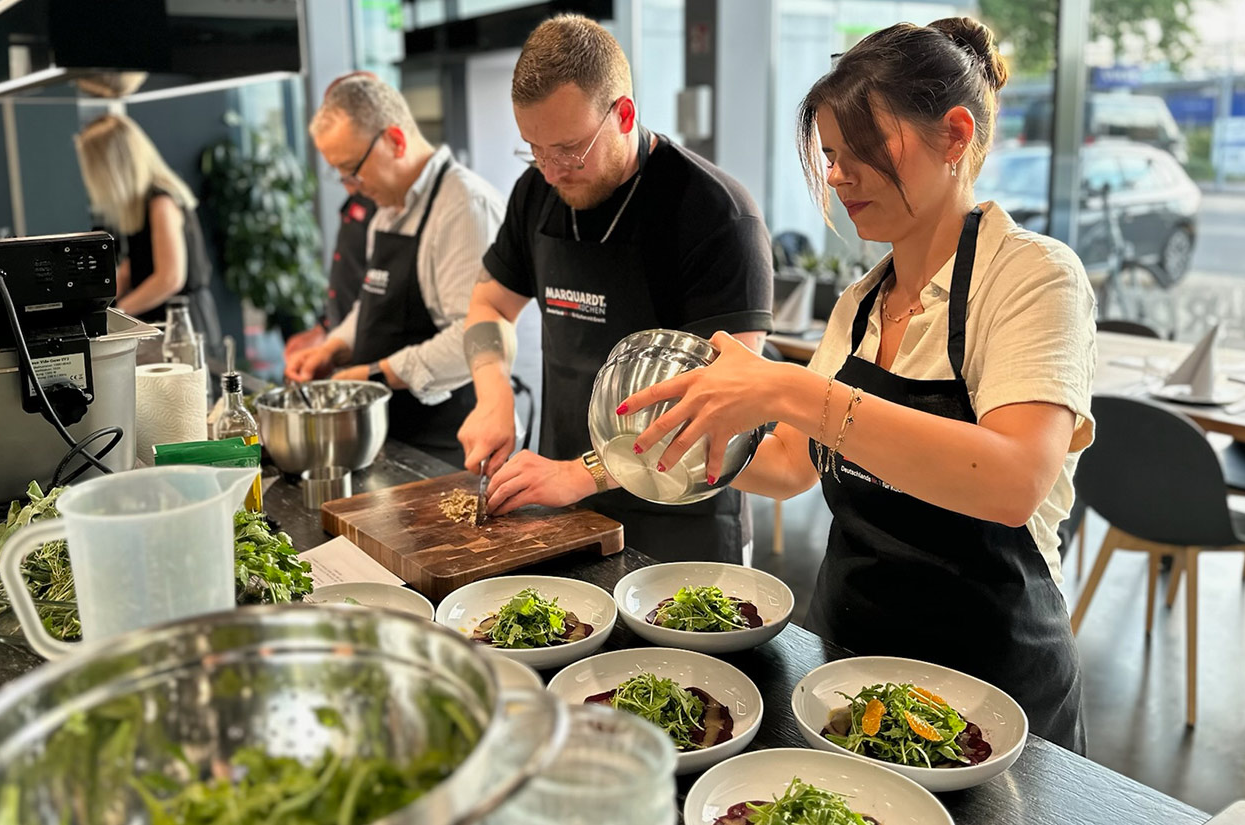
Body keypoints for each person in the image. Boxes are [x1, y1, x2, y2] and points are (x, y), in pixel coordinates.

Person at [615, 19, 1095, 752]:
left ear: (955, 135)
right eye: (832, 157)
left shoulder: (1032, 277)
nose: (837, 178)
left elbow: (1012, 478)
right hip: (849, 686)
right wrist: (694, 434)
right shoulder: (861, 304)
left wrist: (787, 390)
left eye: (861, 152)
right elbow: (789, 465)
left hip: (989, 708)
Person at [459, 15, 774, 565]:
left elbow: (725, 406)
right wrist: (493, 396)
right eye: (534, 148)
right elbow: (489, 303)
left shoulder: (716, 216)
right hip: (564, 505)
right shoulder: (536, 193)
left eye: (568, 149)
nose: (552, 170)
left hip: (682, 518)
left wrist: (582, 473)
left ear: (623, 113)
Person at [285, 74, 505, 467]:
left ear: (395, 140)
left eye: (352, 169)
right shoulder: (388, 209)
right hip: (392, 436)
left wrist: (374, 375)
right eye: (340, 173)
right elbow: (371, 305)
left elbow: (474, 337)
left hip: (447, 446)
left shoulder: (463, 208)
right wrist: (333, 347)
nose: (350, 187)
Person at [74, 113, 218, 339]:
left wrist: (118, 313)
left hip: (183, 326)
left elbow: (169, 278)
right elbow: (139, 263)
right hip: (167, 321)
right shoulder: (141, 205)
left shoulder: (161, 203)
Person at [284, 72, 380, 360]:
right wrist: (323, 330)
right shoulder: (358, 197)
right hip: (347, 345)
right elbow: (349, 279)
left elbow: (376, 296)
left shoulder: (390, 202)